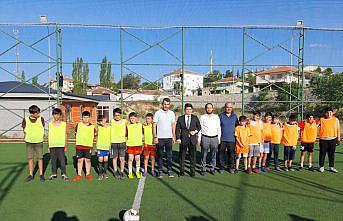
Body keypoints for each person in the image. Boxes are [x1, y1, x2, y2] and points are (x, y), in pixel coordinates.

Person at [176, 103, 201, 177]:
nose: (189, 111)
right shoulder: (180, 118)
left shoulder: (195, 117)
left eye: (190, 109)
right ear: (185, 110)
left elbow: (199, 127)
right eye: (187, 109)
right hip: (183, 139)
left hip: (192, 140)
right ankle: (181, 171)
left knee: (192, 156)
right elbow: (177, 129)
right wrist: (178, 138)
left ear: (192, 110)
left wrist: (195, 131)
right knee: (182, 156)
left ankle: (192, 171)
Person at [153, 98, 176, 178]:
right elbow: (154, 125)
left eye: (167, 104)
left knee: (169, 155)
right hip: (160, 138)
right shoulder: (158, 113)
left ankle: (169, 170)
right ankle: (160, 171)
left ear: (169, 105)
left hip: (169, 138)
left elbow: (173, 125)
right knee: (160, 155)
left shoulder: (172, 113)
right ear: (162, 104)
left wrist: (174, 136)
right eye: (165, 104)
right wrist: (155, 136)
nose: (166, 106)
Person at [22, 105, 45, 182]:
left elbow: (43, 126)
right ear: (32, 113)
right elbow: (23, 128)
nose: (38, 113)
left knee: (40, 158)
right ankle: (31, 174)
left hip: (39, 142)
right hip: (29, 142)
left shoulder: (41, 119)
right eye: (37, 112)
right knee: (30, 158)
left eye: (38, 111)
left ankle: (41, 174)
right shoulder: (25, 120)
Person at [198, 103, 221, 176]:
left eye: (210, 108)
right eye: (207, 108)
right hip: (205, 138)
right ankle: (203, 168)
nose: (209, 109)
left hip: (214, 138)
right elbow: (200, 129)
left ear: (212, 108)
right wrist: (199, 139)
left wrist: (219, 138)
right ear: (205, 109)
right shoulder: (202, 117)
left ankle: (212, 168)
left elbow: (218, 128)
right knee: (203, 154)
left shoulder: (216, 117)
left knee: (213, 154)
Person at [72, 111, 96, 181]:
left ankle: (88, 174)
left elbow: (94, 136)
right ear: (82, 118)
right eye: (84, 117)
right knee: (79, 160)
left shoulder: (92, 127)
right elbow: (75, 133)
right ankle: (79, 175)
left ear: (89, 118)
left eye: (87, 117)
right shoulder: (78, 125)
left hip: (88, 146)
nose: (85, 119)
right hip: (79, 146)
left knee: (88, 160)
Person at [48, 108, 68, 181]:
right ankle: (54, 173)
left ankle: (64, 173)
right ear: (53, 115)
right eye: (55, 114)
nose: (56, 116)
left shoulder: (64, 124)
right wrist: (48, 145)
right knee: (53, 160)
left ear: (60, 115)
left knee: (62, 160)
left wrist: (66, 145)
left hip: (61, 145)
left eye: (58, 115)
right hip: (52, 145)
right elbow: (49, 135)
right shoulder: (50, 124)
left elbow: (66, 134)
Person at [318, 107, 341, 173]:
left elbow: (338, 129)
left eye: (330, 112)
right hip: (323, 139)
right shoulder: (321, 119)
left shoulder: (335, 119)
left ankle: (331, 167)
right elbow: (314, 126)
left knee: (331, 154)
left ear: (332, 113)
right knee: (322, 153)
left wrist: (338, 139)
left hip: (333, 139)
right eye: (327, 112)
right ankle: (321, 166)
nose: (329, 114)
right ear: (325, 113)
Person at [218, 102, 239, 174]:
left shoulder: (235, 116)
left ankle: (231, 167)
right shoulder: (220, 116)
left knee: (231, 154)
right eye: (227, 107)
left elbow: (237, 127)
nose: (229, 108)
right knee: (221, 154)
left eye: (230, 107)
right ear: (225, 107)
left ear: (232, 108)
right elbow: (217, 127)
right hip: (222, 139)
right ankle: (221, 167)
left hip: (232, 139)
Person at [110, 108, 126, 179]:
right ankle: (115, 171)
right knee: (115, 158)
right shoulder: (112, 121)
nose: (117, 117)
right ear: (113, 115)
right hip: (114, 142)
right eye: (115, 115)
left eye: (118, 115)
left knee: (122, 158)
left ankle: (122, 172)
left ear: (121, 115)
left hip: (122, 142)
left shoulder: (124, 121)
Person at [126, 112, 143, 179]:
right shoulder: (128, 126)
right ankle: (130, 173)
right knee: (130, 159)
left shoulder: (140, 125)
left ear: (136, 118)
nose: (132, 120)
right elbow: (125, 134)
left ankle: (137, 172)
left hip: (138, 144)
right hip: (130, 145)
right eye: (131, 118)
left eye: (133, 118)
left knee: (137, 159)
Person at [96, 115, 111, 180]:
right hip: (100, 146)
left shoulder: (110, 127)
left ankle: (105, 173)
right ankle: (100, 173)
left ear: (105, 119)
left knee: (106, 160)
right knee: (100, 160)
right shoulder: (98, 127)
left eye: (102, 120)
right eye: (100, 121)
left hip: (107, 147)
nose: (101, 122)